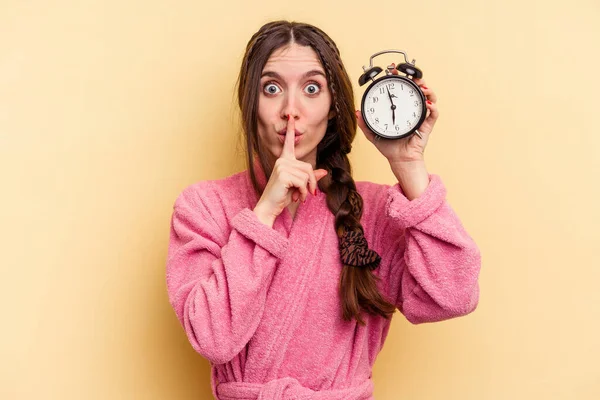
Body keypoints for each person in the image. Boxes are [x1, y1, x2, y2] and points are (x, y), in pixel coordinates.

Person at [166, 20, 481, 400]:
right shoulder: (203, 207)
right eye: (271, 88)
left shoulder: (376, 212)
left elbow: (454, 296)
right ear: (249, 104)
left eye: (312, 89)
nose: (290, 110)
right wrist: (264, 213)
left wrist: (409, 165)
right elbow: (214, 340)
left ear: (333, 108)